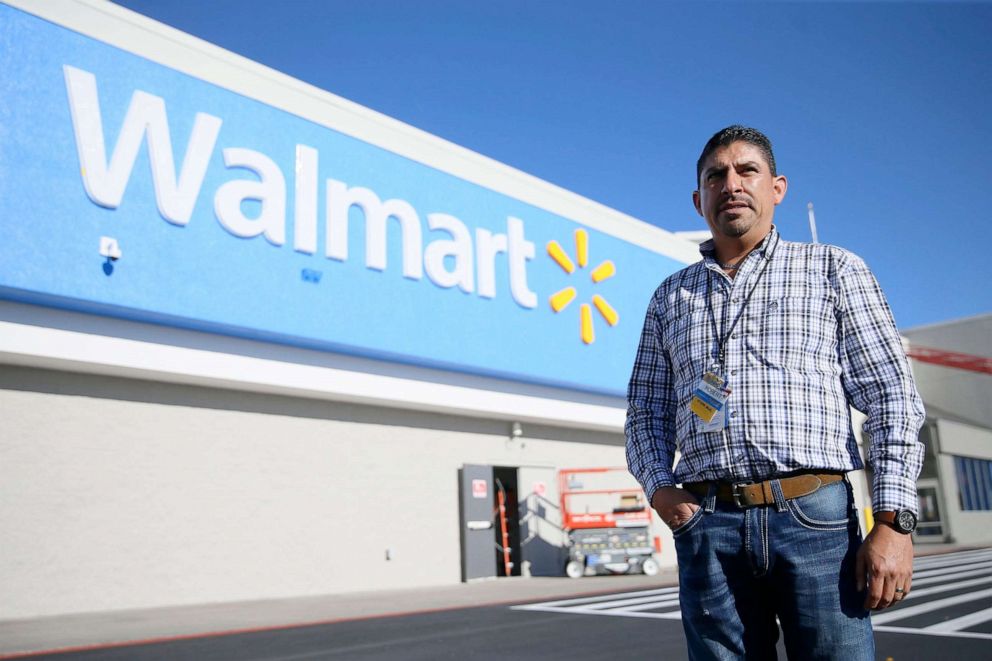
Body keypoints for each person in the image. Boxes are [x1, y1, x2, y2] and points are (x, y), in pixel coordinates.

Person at [625, 125, 925, 660]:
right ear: (699, 199)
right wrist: (661, 491)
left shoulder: (832, 269)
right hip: (709, 524)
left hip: (816, 520)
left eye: (747, 171)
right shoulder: (671, 297)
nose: (731, 184)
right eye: (715, 175)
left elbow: (890, 396)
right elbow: (646, 411)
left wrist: (894, 520)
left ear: (777, 187)